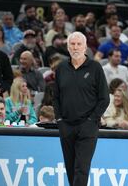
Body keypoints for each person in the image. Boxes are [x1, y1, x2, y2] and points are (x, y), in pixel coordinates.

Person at [54, 32, 109, 186]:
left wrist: (91, 120)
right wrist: (60, 121)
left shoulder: (95, 68)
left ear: (85, 47)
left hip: (88, 127)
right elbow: (56, 98)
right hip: (66, 126)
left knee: (81, 169)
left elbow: (104, 98)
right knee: (70, 169)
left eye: (79, 44)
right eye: (72, 44)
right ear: (68, 46)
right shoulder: (61, 68)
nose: (76, 47)